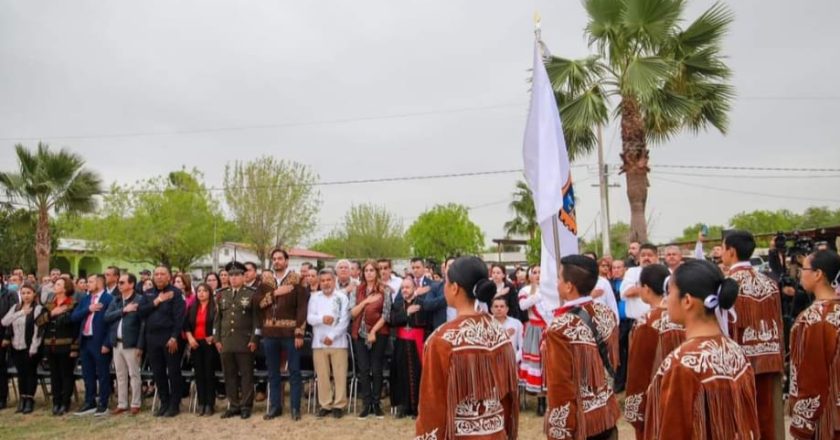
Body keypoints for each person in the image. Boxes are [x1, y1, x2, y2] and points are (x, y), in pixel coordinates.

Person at [644, 259, 759, 439]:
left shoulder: (681, 364)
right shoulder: (734, 349)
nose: (666, 300)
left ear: (687, 300)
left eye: (670, 292)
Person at [415, 256, 519, 439]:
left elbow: (432, 407)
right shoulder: (499, 331)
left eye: (446, 281)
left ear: (454, 287)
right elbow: (509, 396)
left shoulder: (441, 340)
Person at [544, 255, 620, 439]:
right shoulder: (606, 313)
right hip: (606, 412)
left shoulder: (560, 327)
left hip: (581, 422)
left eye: (559, 278)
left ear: (569, 286)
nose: (557, 282)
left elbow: (560, 386)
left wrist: (560, 431)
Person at [722, 230, 784, 440]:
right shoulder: (770, 283)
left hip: (740, 365)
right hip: (770, 359)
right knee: (769, 420)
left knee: (743, 424)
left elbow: (725, 326)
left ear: (730, 251)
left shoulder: (727, 285)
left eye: (723, 248)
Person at [623, 264, 684, 439]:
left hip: (657, 399)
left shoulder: (646, 323)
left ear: (646, 289)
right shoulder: (684, 316)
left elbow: (638, 371)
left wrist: (636, 412)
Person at [787, 249, 840, 439]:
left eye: (804, 268)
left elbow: (811, 379)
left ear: (818, 274)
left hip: (827, 420)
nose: (801, 272)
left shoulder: (812, 320)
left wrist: (802, 424)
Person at [255, 248, 308, 421]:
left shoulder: (297, 280)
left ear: (287, 261)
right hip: (270, 333)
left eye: (280, 258)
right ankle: (275, 407)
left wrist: (300, 333)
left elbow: (302, 308)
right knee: (272, 372)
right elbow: (257, 304)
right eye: (274, 259)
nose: (277, 261)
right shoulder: (264, 281)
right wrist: (274, 294)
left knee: (294, 371)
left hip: (290, 333)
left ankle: (294, 408)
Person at [138, 265, 186, 417]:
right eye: (156, 274)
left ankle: (174, 403)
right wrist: (157, 301)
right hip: (152, 337)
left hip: (169, 337)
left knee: (173, 371)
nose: (159, 276)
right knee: (158, 372)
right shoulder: (148, 293)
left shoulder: (176, 293)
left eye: (162, 274)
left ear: (169, 276)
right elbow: (141, 312)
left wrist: (174, 337)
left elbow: (179, 318)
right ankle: (164, 402)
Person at [215, 261, 260, 420]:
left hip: (245, 341)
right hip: (226, 342)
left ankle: (246, 406)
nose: (233, 278)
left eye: (237, 275)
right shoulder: (222, 294)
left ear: (243, 276)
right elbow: (218, 319)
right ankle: (233, 405)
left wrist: (254, 338)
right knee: (229, 375)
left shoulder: (252, 293)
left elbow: (257, 320)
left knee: (247, 375)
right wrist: (217, 339)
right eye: (230, 275)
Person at [307, 268, 351, 419]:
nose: (326, 283)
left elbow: (344, 320)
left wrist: (332, 336)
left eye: (329, 280)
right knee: (323, 375)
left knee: (340, 375)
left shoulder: (342, 297)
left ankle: (339, 404)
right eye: (323, 280)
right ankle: (325, 404)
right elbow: (309, 318)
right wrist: (321, 319)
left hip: (338, 343)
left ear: (334, 281)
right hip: (319, 343)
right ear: (319, 282)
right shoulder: (314, 298)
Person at [350, 260, 392, 418]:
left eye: (372, 270)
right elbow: (352, 313)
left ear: (377, 272)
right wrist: (366, 301)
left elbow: (386, 315)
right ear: (363, 273)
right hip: (359, 334)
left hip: (379, 333)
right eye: (366, 270)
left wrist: (373, 331)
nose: (369, 273)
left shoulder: (385, 290)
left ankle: (376, 403)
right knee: (364, 369)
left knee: (376, 369)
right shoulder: (357, 290)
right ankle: (366, 404)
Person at [616, 243, 658, 392]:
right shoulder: (632, 272)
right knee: (638, 362)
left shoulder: (664, 272)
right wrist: (650, 287)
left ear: (656, 257)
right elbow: (626, 293)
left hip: (660, 323)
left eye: (650, 255)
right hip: (637, 324)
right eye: (643, 255)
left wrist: (638, 288)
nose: (646, 258)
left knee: (658, 360)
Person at [71, 274, 113, 416]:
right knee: (87, 373)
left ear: (100, 283)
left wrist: (107, 342)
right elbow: (74, 317)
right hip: (85, 340)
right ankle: (89, 402)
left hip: (99, 340)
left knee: (102, 373)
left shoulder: (108, 299)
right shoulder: (86, 299)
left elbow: (111, 323)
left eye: (91, 281)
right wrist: (89, 309)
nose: (87, 284)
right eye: (87, 281)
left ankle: (103, 402)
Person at [104, 273, 146, 416]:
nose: (119, 285)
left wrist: (140, 346)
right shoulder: (116, 300)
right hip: (117, 343)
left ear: (131, 284)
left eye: (122, 282)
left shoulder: (140, 300)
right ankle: (122, 404)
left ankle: (136, 403)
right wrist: (123, 310)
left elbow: (143, 325)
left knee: (134, 374)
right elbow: (107, 317)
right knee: (120, 375)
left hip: (132, 344)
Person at [36, 275, 79, 416]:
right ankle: (56, 402)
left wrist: (74, 347)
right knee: (54, 375)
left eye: (59, 284)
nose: (56, 285)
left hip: (66, 345)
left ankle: (65, 402)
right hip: (50, 345)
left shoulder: (73, 304)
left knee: (66, 375)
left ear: (66, 287)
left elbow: (76, 328)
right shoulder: (49, 304)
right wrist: (51, 314)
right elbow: (38, 322)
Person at [2, 282, 44, 414]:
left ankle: (29, 399)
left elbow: (38, 331)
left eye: (28, 293)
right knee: (21, 373)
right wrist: (20, 313)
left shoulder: (38, 309)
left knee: (30, 372)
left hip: (30, 346)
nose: (26, 296)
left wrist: (33, 347)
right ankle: (22, 398)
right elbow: (5, 321)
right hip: (16, 345)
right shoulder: (16, 307)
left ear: (34, 294)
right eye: (23, 293)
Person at [388, 276, 425, 419]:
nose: (404, 290)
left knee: (417, 374)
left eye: (407, 287)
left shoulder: (421, 303)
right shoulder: (397, 304)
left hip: (417, 343)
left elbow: (424, 322)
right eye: (402, 287)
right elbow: (392, 320)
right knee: (401, 374)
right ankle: (403, 407)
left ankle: (417, 408)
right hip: (401, 344)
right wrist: (407, 312)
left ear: (414, 288)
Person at [517, 265, 549, 415]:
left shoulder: (552, 289)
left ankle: (553, 399)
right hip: (535, 330)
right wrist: (537, 292)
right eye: (534, 272)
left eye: (540, 272)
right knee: (538, 365)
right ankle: (540, 401)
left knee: (550, 365)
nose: (537, 275)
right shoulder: (525, 290)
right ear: (529, 276)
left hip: (550, 328)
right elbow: (523, 306)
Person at [185, 283, 217, 416]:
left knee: (209, 374)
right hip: (195, 344)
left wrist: (214, 337)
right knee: (199, 375)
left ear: (209, 292)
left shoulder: (215, 308)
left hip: (209, 344)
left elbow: (219, 324)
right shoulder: (192, 307)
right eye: (199, 291)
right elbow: (186, 324)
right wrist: (190, 338)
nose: (201, 293)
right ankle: (201, 403)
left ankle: (209, 404)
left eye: (204, 291)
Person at [0, 274, 22, 410]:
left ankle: (2, 398)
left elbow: (13, 316)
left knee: (1, 367)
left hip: (2, 335)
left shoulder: (9, 294)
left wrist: (7, 336)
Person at [491, 297, 522, 363]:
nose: (499, 309)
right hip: (492, 363)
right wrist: (505, 334)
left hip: (513, 362)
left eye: (502, 306)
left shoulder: (516, 323)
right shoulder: (486, 324)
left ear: (507, 309)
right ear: (491, 309)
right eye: (496, 306)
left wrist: (514, 360)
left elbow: (523, 346)